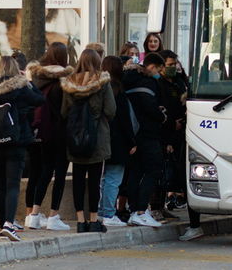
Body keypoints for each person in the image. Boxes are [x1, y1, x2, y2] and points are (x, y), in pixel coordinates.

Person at [0, 56, 45, 242]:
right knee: (12, 184)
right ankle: (9, 223)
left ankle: (2, 226)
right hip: (16, 141)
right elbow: (40, 100)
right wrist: (28, 81)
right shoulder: (21, 87)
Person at [61, 49, 116, 233]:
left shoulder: (70, 83)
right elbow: (110, 110)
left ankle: (80, 221)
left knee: (77, 178)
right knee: (94, 181)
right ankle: (93, 220)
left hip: (75, 137)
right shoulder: (102, 82)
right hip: (97, 137)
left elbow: (64, 112)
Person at [24, 42, 73, 231]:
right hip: (60, 132)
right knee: (60, 173)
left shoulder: (37, 78)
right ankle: (53, 215)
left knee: (44, 171)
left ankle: (34, 215)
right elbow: (66, 109)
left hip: (42, 132)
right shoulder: (63, 80)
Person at [122, 53, 166, 228]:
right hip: (148, 133)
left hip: (133, 134)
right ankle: (141, 210)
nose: (160, 73)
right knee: (154, 169)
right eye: (160, 69)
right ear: (152, 67)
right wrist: (161, 115)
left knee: (135, 171)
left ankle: (134, 210)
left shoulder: (128, 80)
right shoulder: (147, 82)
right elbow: (149, 106)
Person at [98, 55, 136, 228]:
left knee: (104, 178)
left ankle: (101, 211)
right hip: (119, 141)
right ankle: (108, 213)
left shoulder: (99, 88)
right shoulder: (118, 91)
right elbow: (125, 121)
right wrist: (132, 142)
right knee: (114, 178)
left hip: (103, 139)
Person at [157, 50, 188, 218]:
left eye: (174, 64)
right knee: (164, 172)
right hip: (166, 132)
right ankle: (160, 204)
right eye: (169, 65)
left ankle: (170, 200)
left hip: (180, 130)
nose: (173, 68)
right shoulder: (159, 84)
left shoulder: (178, 82)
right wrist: (170, 126)